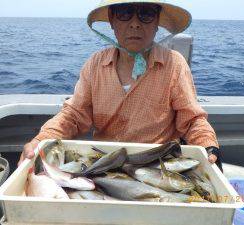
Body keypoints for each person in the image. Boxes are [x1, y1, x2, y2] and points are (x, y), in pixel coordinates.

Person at [18, 0, 222, 171]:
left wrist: (209, 147)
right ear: (112, 21)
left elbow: (192, 120)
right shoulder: (95, 64)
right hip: (104, 163)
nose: (135, 24)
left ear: (157, 22)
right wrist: (42, 140)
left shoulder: (174, 64)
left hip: (159, 165)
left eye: (146, 14)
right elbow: (73, 115)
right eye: (124, 13)